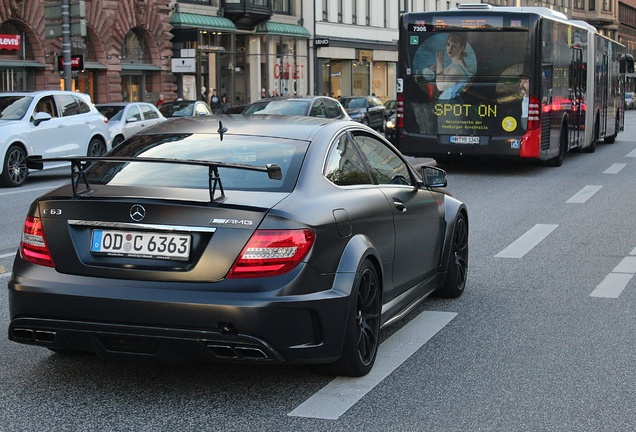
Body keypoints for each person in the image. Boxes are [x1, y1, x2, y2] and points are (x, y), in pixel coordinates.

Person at [431, 33, 472, 101]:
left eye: (454, 46)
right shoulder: (455, 66)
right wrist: (438, 68)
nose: (450, 48)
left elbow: (440, 87)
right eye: (448, 44)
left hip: (451, 105)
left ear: (462, 48)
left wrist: (440, 64)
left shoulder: (457, 69)